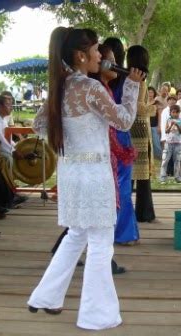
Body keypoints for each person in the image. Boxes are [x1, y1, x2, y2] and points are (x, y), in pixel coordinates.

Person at [27, 27, 144, 330]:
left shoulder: (60, 87)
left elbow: (39, 126)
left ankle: (46, 297)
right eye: (95, 51)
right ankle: (96, 315)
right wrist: (132, 87)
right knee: (101, 243)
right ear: (81, 56)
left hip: (71, 172)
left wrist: (71, 137)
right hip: (93, 175)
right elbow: (124, 120)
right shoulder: (90, 89)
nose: (100, 55)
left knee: (77, 235)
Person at [95, 43, 139, 246]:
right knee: (119, 189)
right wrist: (132, 86)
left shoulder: (112, 83)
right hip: (113, 141)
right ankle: (121, 233)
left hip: (115, 140)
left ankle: (121, 232)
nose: (114, 64)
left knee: (120, 188)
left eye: (115, 60)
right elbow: (124, 118)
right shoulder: (99, 88)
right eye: (109, 61)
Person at [127, 45, 158, 223]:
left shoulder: (128, 77)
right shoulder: (140, 80)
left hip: (130, 128)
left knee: (131, 173)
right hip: (139, 128)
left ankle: (129, 210)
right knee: (142, 174)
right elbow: (138, 107)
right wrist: (153, 108)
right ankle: (144, 212)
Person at [160, 104, 181, 184]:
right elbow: (166, 131)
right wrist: (171, 126)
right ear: (170, 113)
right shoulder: (168, 120)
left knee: (177, 161)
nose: (175, 114)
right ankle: (163, 178)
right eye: (173, 112)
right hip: (168, 143)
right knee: (165, 160)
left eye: (177, 112)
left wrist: (177, 125)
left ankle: (178, 178)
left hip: (178, 143)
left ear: (179, 113)